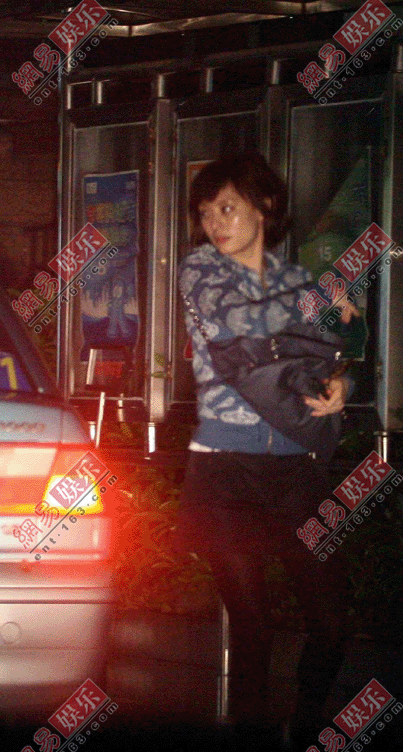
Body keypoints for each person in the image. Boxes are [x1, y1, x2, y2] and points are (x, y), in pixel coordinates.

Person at [177, 152, 358, 749]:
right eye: (206, 212)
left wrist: (342, 386)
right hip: (223, 473)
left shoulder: (295, 279)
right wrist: (320, 296)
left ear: (266, 207)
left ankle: (305, 730)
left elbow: (327, 355)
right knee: (253, 624)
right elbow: (239, 322)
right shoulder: (200, 271)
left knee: (332, 619)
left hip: (295, 470)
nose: (215, 223)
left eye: (227, 208)